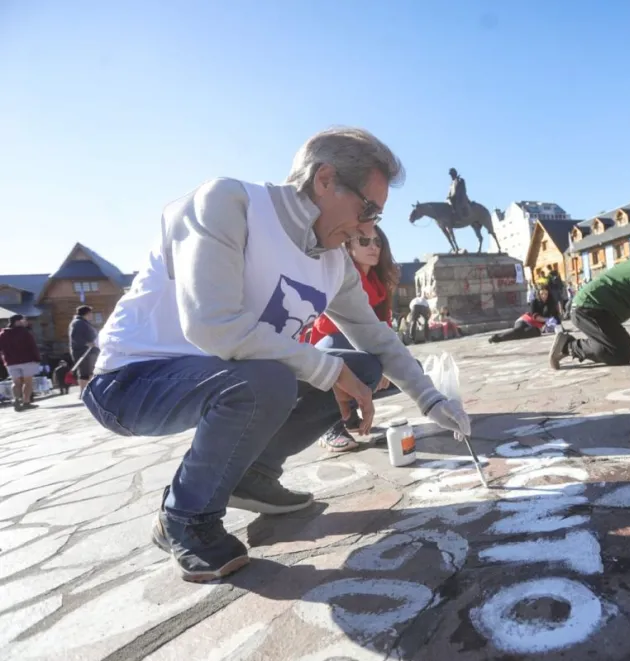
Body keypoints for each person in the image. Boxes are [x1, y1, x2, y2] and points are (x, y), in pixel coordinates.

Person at [82, 127, 471, 583]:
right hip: (133, 381)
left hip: (236, 377)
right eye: (368, 209)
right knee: (273, 380)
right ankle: (185, 516)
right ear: (324, 179)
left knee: (362, 365)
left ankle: (251, 474)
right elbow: (213, 326)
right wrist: (327, 370)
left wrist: (432, 400)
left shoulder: (334, 261)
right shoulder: (229, 203)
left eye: (377, 217)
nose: (370, 228)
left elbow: (377, 337)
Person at [305, 224, 398, 452]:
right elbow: (330, 326)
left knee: (408, 369)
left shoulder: (379, 285)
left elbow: (385, 331)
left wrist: (386, 365)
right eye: (364, 241)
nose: (373, 247)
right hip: (326, 350)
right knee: (346, 347)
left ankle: (348, 412)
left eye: (378, 242)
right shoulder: (342, 276)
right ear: (349, 247)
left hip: (355, 351)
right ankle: (330, 425)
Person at [489, 286, 561, 343]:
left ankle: (502, 337)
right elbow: (535, 316)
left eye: (546, 294)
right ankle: (497, 337)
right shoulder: (534, 302)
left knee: (532, 333)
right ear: (538, 294)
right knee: (518, 330)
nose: (544, 296)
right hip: (525, 320)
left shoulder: (551, 303)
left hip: (536, 327)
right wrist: (547, 319)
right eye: (542, 293)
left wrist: (556, 324)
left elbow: (557, 318)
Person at [0, 314, 42, 411]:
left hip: (11, 362)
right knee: (28, 382)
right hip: (27, 360)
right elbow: (33, 346)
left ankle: (16, 399)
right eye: (23, 320)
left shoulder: (3, 334)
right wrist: (37, 358)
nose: (25, 322)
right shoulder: (25, 332)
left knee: (16, 382)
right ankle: (26, 402)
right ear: (17, 321)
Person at [69, 305, 99, 398]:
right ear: (87, 313)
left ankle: (89, 391)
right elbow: (76, 337)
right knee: (84, 372)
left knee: (90, 372)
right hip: (83, 351)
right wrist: (87, 343)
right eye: (90, 313)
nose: (92, 315)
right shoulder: (78, 323)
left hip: (89, 351)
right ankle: (83, 392)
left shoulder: (83, 322)